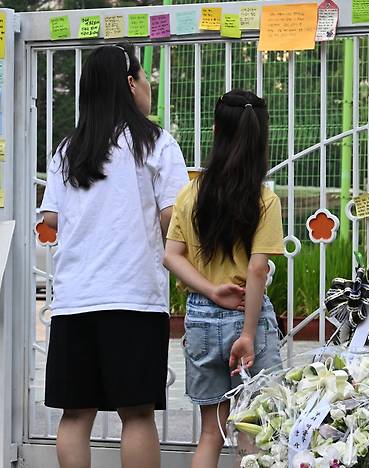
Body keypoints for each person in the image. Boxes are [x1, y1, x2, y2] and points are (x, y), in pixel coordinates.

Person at [39, 44, 190, 468]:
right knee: (137, 412)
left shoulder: (69, 149)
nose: (148, 88)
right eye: (145, 80)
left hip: (75, 299)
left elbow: (50, 215)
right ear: (130, 84)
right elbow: (172, 218)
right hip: (133, 296)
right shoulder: (156, 142)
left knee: (76, 413)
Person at [164, 90, 284, 468]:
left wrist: (210, 290)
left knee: (210, 433)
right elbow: (257, 269)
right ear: (262, 138)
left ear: (216, 130)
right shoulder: (263, 199)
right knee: (253, 432)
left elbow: (171, 256)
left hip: (200, 318)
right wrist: (247, 334)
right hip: (247, 316)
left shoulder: (190, 194)